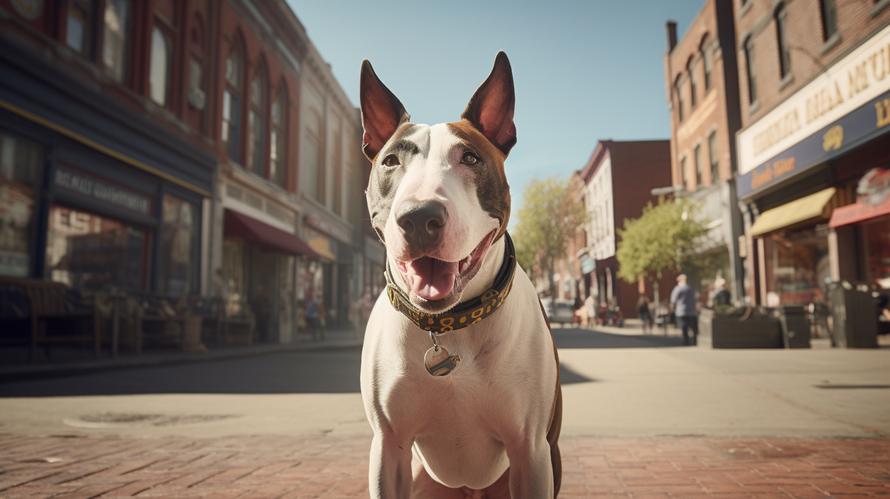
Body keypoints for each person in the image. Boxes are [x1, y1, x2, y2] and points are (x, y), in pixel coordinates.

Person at [670, 274, 699, 346]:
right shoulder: (690, 288)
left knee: (684, 326)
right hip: (691, 311)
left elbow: (673, 300)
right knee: (692, 326)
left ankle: (686, 341)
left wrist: (672, 308)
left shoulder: (678, 288)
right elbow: (694, 299)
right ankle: (695, 340)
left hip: (681, 310)